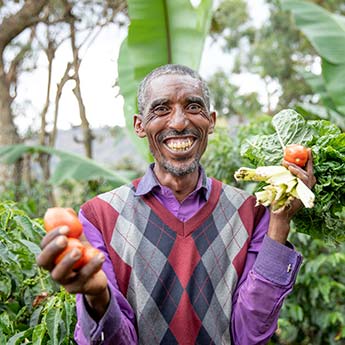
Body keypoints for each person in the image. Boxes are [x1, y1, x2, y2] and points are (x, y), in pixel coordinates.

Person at [37, 64, 316, 345]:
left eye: (193, 107)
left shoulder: (250, 211)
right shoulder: (100, 216)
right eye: (161, 109)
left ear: (211, 120)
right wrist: (98, 296)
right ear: (139, 125)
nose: (179, 122)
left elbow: (249, 334)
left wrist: (280, 222)